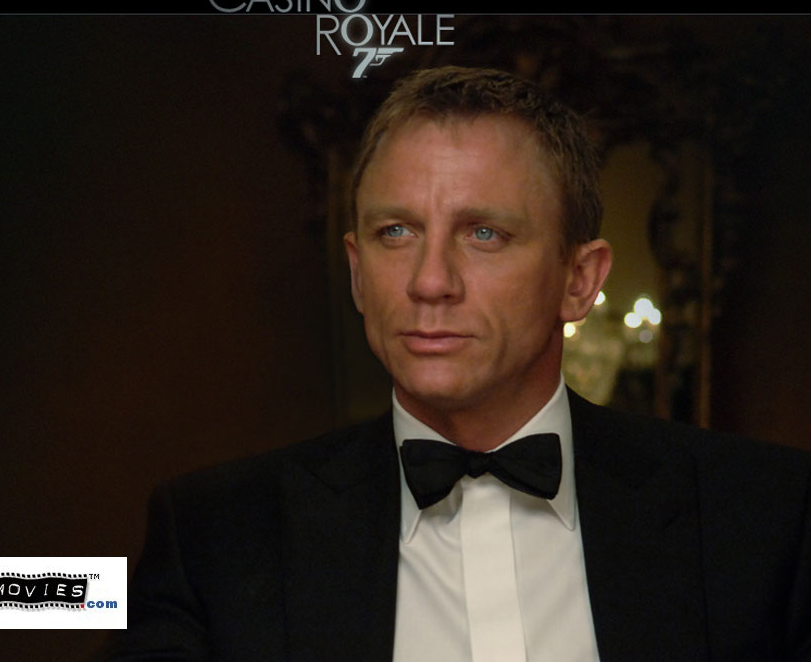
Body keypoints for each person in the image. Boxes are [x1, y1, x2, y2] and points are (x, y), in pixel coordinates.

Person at [114, 67, 811, 661]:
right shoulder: (213, 536)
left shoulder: (768, 515)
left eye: (484, 233)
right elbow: (49, 598)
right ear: (357, 273)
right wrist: (43, 591)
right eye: (396, 232)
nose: (430, 281)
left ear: (579, 280)